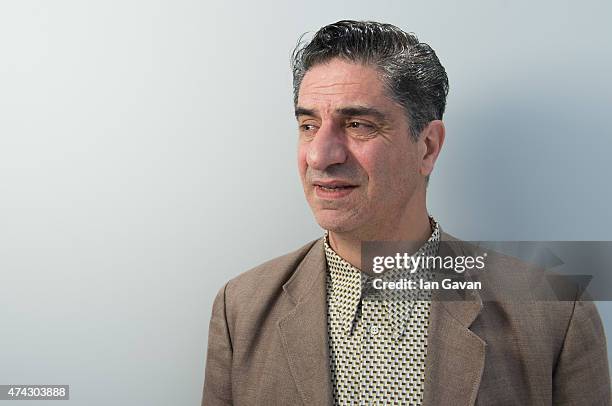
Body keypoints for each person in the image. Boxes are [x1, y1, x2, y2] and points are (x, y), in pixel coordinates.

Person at [201, 20, 610, 405]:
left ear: (427, 147)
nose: (320, 155)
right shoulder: (240, 307)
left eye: (358, 124)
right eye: (308, 125)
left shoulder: (555, 311)